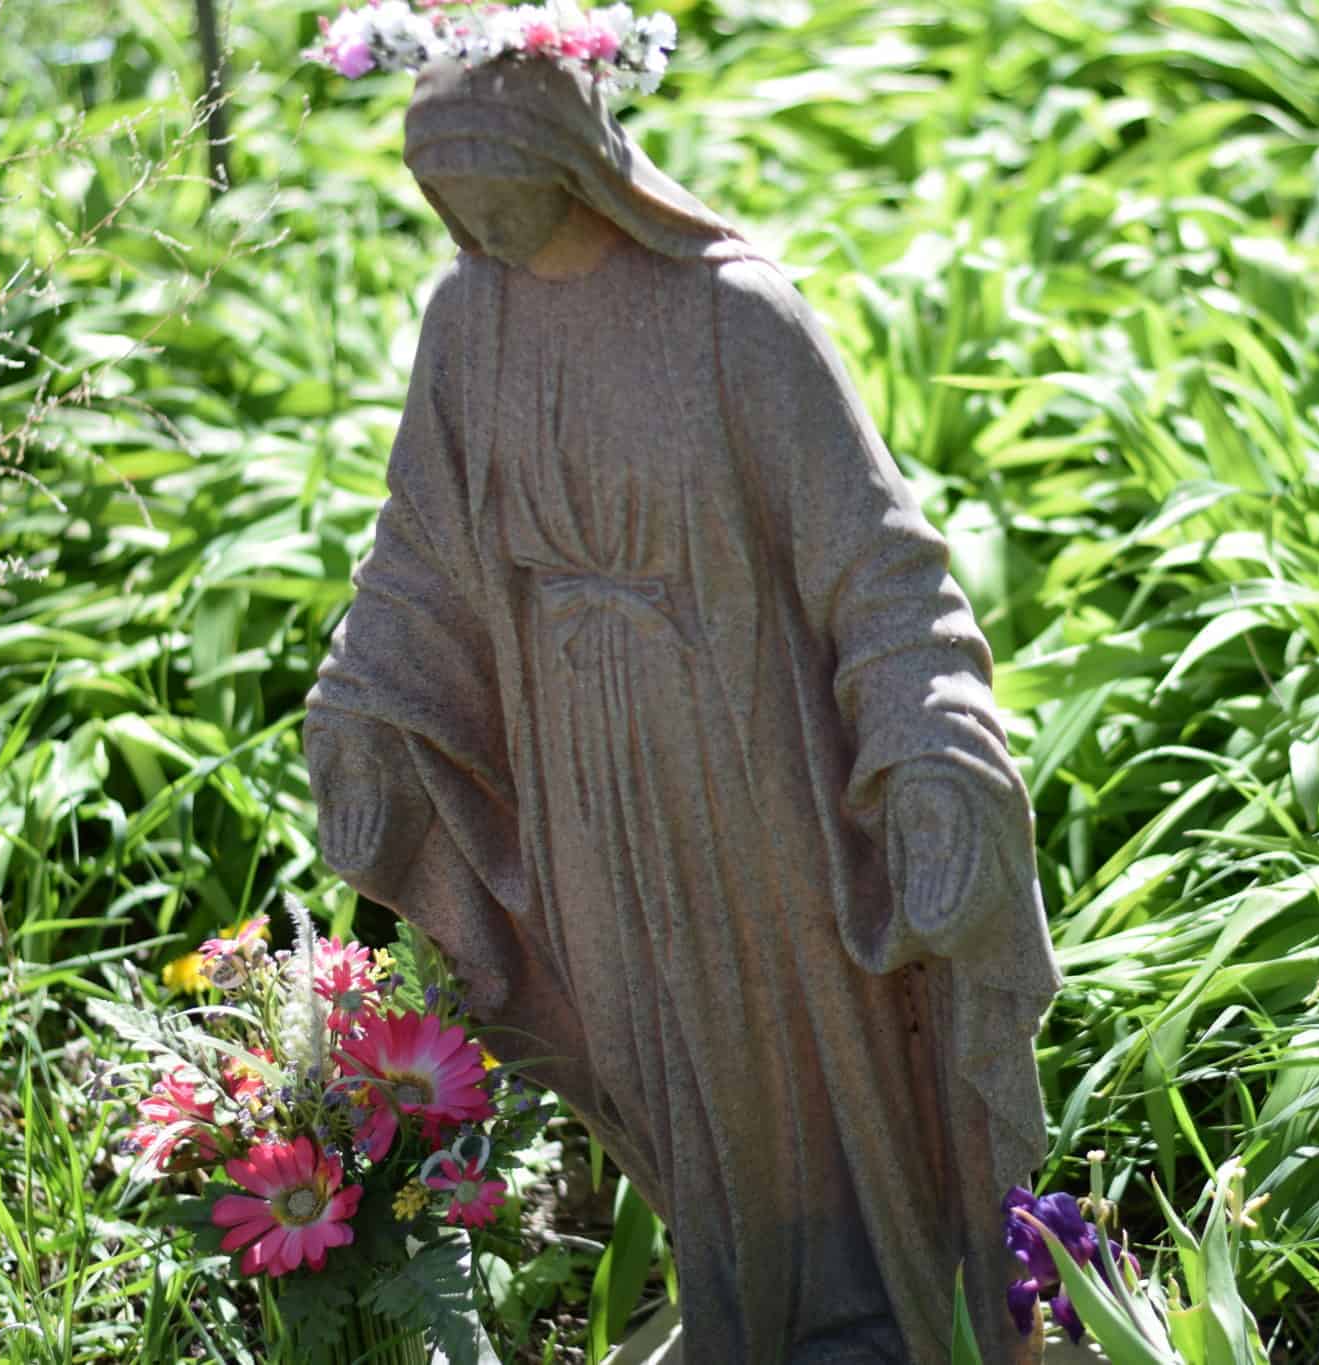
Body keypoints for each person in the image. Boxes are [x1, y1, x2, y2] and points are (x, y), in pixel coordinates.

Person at [303, 53, 1061, 1364]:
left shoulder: (737, 319)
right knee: (661, 1053)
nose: (478, 227)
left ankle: (858, 1312)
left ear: (572, 154)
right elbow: (419, 557)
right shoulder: (466, 326)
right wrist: (366, 698)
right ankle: (738, 1302)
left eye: (500, 193)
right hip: (579, 774)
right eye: (452, 199)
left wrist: (932, 738)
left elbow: (879, 568)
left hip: (740, 764)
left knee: (788, 1050)